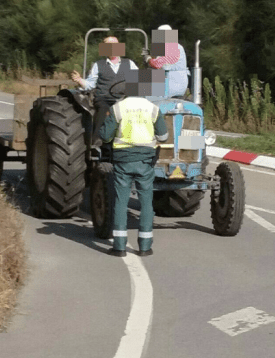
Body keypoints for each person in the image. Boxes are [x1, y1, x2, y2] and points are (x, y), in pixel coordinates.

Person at [99, 70, 168, 257]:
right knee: (146, 203)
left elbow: (105, 136)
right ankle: (145, 247)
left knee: (121, 202)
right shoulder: (153, 108)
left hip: (122, 161)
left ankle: (119, 247)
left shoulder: (118, 108)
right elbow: (163, 136)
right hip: (145, 162)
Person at [71, 37, 138, 143]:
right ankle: (97, 140)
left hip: (124, 99)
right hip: (104, 99)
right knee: (104, 110)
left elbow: (140, 80)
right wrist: (79, 80)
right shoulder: (98, 65)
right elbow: (90, 84)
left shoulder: (129, 63)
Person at [147, 24, 189, 97]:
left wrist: (148, 59)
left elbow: (158, 64)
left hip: (173, 84)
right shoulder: (167, 47)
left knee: (135, 84)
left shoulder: (174, 47)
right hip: (169, 81)